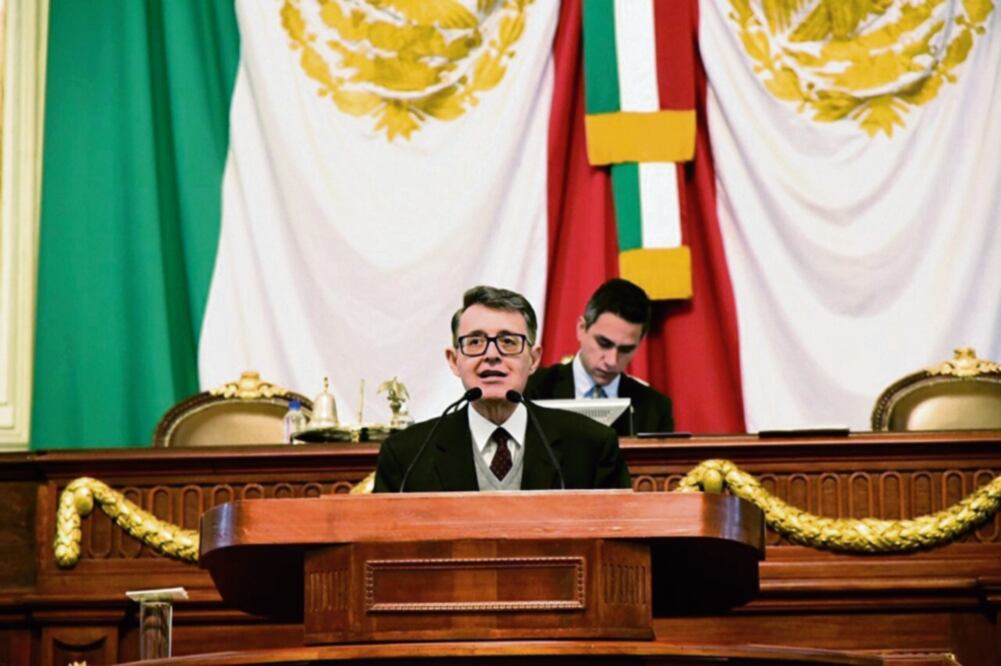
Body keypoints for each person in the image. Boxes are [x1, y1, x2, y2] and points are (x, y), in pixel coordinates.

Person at [374, 286, 631, 492]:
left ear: (534, 359)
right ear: (454, 360)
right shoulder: (407, 455)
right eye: (475, 342)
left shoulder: (591, 447)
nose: (492, 355)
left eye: (508, 342)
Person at [525, 278, 674, 436]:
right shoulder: (533, 389)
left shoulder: (655, 408)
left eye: (626, 349)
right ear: (581, 328)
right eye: (604, 343)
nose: (612, 361)